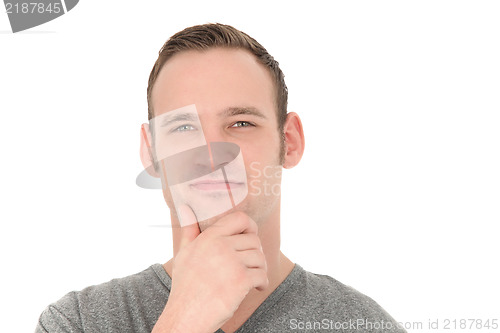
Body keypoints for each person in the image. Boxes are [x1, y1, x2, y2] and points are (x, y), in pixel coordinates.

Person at [35, 23, 406, 333]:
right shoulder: (76, 322)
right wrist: (183, 321)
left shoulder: (363, 325)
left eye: (241, 123)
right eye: (182, 126)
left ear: (289, 142)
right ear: (151, 153)